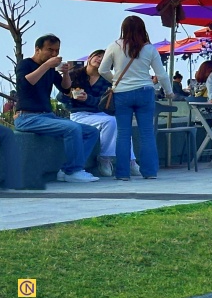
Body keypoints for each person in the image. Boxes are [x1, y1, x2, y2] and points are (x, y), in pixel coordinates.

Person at [15, 34, 100, 182]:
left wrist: (66, 73)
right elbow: (26, 84)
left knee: (91, 132)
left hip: (46, 116)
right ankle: (72, 172)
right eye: (50, 50)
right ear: (37, 49)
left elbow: (66, 89)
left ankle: (69, 168)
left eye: (57, 50)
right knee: (72, 129)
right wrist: (47, 65)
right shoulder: (25, 64)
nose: (54, 54)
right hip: (27, 117)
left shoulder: (50, 70)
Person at [99, 16, 173, 180]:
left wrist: (116, 80)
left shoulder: (114, 46)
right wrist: (169, 92)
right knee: (147, 133)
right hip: (145, 92)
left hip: (122, 93)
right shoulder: (149, 49)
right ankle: (150, 172)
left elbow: (102, 70)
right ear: (142, 28)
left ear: (123, 28)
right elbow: (161, 74)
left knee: (123, 134)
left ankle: (123, 173)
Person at [57, 49, 141, 177]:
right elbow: (60, 97)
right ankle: (105, 158)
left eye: (104, 58)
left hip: (100, 114)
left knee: (121, 125)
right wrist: (71, 95)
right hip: (79, 115)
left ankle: (130, 161)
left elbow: (105, 103)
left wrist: (87, 99)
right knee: (111, 121)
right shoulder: (75, 75)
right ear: (90, 58)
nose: (100, 59)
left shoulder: (107, 80)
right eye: (97, 56)